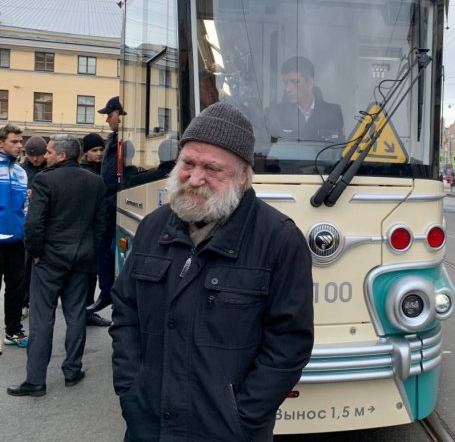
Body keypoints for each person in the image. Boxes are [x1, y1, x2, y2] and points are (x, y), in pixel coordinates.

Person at [110, 102, 314, 441]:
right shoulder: (153, 227)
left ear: (243, 176)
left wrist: (242, 418)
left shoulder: (279, 239)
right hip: (149, 426)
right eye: (188, 163)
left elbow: (289, 343)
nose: (195, 178)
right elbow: (125, 310)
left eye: (212, 169)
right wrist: (131, 388)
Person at [7, 135, 106, 397]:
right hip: (82, 258)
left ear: (62, 156)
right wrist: (90, 252)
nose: (46, 155)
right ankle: (73, 370)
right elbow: (101, 223)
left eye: (50, 151)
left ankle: (36, 380)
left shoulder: (45, 180)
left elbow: (34, 223)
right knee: (76, 316)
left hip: (49, 259)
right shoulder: (95, 182)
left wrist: (35, 253)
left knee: (42, 319)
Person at [88, 96, 125, 315]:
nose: (107, 120)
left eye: (109, 115)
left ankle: (114, 294)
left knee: (113, 252)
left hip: (118, 203)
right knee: (104, 251)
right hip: (108, 205)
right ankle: (106, 293)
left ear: (121, 115)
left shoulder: (129, 140)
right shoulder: (113, 139)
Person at [265, 56, 344, 143]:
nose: (287, 89)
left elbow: (338, 151)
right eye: (285, 82)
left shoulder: (332, 114)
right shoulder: (274, 114)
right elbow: (266, 151)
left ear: (310, 83)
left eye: (294, 82)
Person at [0, 124, 29, 350]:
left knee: (16, 290)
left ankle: (13, 331)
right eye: (15, 141)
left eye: (21, 142)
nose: (20, 146)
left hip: (17, 243)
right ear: (1, 142)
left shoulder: (20, 171)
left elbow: (24, 208)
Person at [80, 132, 110, 326]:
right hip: (86, 230)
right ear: (85, 153)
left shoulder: (103, 170)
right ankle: (83, 311)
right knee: (85, 275)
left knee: (92, 274)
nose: (99, 153)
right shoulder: (84, 172)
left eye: (101, 149)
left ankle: (87, 310)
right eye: (94, 150)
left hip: (97, 229)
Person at [20, 136, 47, 315]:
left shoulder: (51, 168)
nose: (35, 159)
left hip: (46, 224)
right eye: (31, 156)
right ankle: (24, 301)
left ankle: (40, 300)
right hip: (26, 223)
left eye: (38, 155)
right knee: (25, 267)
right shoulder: (21, 170)